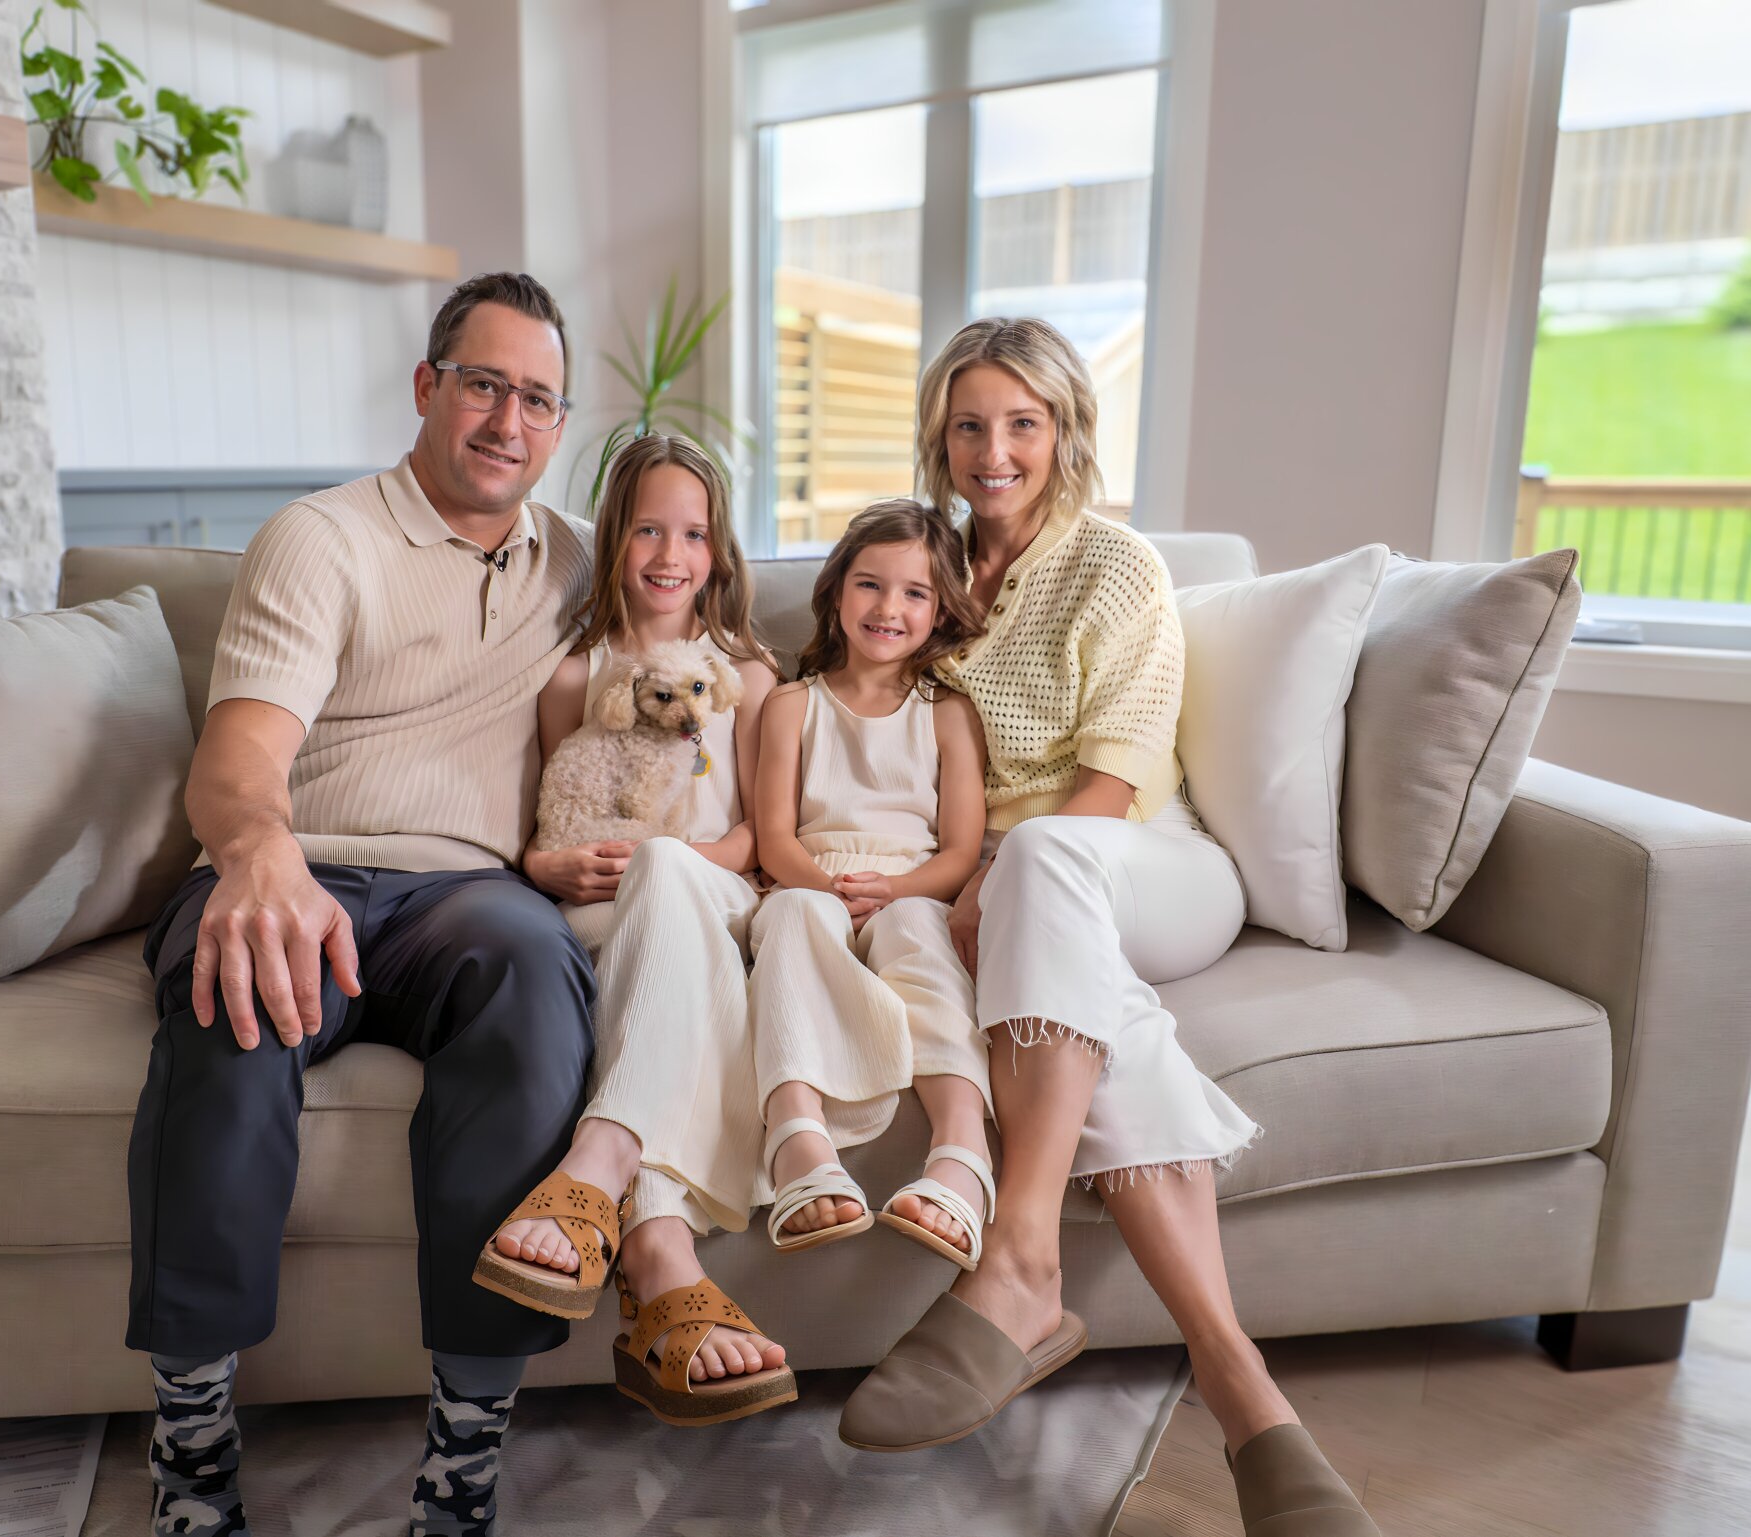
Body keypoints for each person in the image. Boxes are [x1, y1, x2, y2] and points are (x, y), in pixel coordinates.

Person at [837, 318, 1382, 1537]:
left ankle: (1019, 1253)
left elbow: (1121, 773)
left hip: (1156, 867)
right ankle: (1248, 1404)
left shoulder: (1115, 564)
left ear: (1064, 432)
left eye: (1021, 423)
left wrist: (986, 883)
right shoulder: (923, 573)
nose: (993, 449)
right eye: (969, 423)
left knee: (1044, 857)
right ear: (939, 436)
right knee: (1099, 1007)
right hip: (1041, 908)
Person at [124, 272, 598, 1537]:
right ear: (428, 387)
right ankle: (192, 1439)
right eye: (485, 383)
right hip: (301, 858)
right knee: (236, 998)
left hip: (466, 896)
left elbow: (726, 642)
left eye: (538, 398)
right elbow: (236, 761)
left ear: (561, 425)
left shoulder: (582, 562)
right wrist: (259, 859)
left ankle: (464, 1455)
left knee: (535, 979)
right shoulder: (322, 537)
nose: (508, 419)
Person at [478, 432, 800, 1427]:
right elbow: (546, 828)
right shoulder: (574, 674)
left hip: (712, 897)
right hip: (598, 913)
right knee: (633, 922)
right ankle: (659, 1269)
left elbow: (757, 836)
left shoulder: (744, 671)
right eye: (650, 529)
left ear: (718, 550)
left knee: (665, 864)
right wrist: (547, 866)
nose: (672, 553)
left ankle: (598, 1167)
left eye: (694, 533)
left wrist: (677, 861)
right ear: (616, 538)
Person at [747, 499, 997, 1274]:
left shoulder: (949, 714)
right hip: (811, 880)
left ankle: (961, 1153)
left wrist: (892, 889)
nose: (889, 608)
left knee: (919, 935)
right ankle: (799, 1137)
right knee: (789, 918)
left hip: (911, 886)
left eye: (914, 593)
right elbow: (773, 837)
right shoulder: (793, 705)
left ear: (941, 609)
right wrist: (825, 884)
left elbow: (959, 850)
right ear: (836, 591)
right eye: (869, 585)